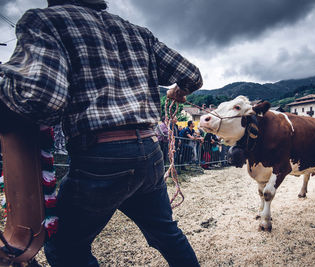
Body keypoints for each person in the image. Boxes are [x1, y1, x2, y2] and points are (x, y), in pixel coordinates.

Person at [0, 0, 202, 266]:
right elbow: (192, 75)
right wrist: (179, 91)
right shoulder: (137, 31)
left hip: (101, 156)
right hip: (149, 151)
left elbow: (43, 99)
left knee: (64, 247)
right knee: (166, 233)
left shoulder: (46, 20)